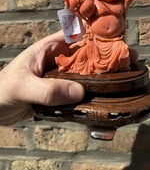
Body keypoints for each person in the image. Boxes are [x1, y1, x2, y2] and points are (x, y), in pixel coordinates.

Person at [0, 30, 138, 126]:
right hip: (91, 43)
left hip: (113, 44)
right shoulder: (94, 7)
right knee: (81, 56)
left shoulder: (119, 4)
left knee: (122, 54)